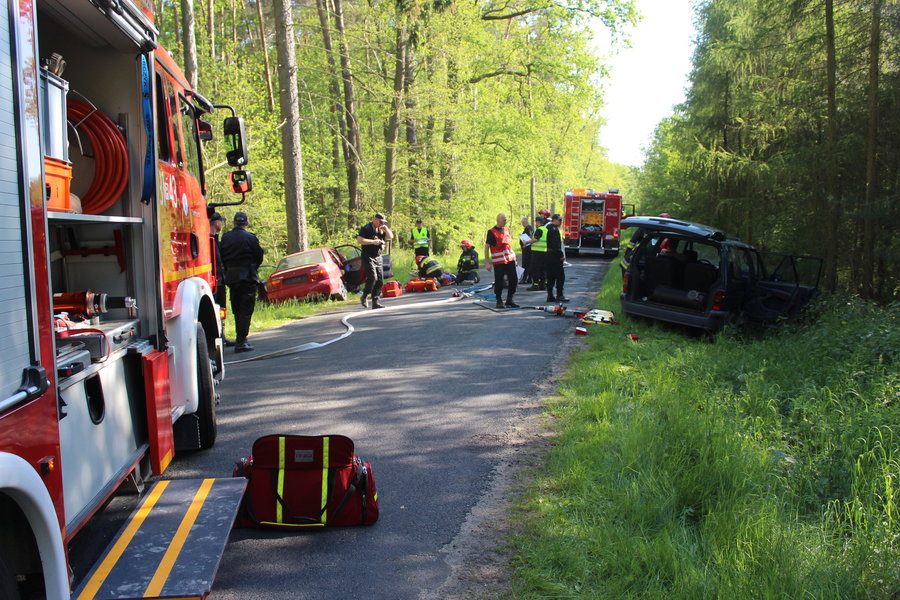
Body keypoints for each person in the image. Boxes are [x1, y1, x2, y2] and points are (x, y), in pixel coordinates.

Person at [220, 211, 264, 353]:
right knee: (246, 310)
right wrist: (251, 268)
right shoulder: (250, 238)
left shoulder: (226, 238)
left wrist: (229, 270)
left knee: (237, 309)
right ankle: (241, 341)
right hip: (247, 277)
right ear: (246, 223)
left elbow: (222, 256)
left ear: (234, 223)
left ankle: (240, 339)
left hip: (232, 277)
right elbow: (258, 256)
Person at [357, 212, 394, 309]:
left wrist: (386, 229)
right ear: (375, 219)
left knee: (380, 280)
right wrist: (373, 242)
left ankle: (375, 302)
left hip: (378, 257)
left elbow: (390, 237)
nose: (382, 223)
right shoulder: (367, 228)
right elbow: (360, 240)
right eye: (380, 221)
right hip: (368, 256)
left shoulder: (381, 229)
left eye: (383, 222)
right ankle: (364, 296)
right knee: (373, 277)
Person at [209, 212, 234, 347]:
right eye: (221, 221)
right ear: (215, 222)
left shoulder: (216, 240)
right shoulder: (208, 240)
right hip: (214, 281)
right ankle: (216, 337)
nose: (222, 224)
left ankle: (222, 336)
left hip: (220, 280)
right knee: (216, 310)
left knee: (221, 310)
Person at [484, 213, 519, 309]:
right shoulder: (491, 232)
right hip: (499, 261)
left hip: (510, 259)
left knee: (514, 279)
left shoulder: (507, 229)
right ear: (498, 220)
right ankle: (499, 300)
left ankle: (509, 299)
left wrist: (514, 258)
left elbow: (509, 245)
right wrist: (487, 262)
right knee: (499, 281)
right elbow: (487, 247)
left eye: (506, 220)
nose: (505, 221)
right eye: (504, 220)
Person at [545, 214, 570, 303]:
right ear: (554, 220)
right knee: (560, 276)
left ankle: (550, 295)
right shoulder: (554, 229)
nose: (561, 222)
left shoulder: (547, 228)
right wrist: (561, 256)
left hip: (547, 255)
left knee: (550, 276)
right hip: (555, 256)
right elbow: (556, 245)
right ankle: (560, 295)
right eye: (559, 220)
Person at [527, 215, 548, 291]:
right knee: (542, 269)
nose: (535, 223)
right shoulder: (546, 229)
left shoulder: (539, 230)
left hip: (537, 253)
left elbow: (536, 239)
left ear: (538, 222)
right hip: (544, 252)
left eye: (535, 221)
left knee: (535, 268)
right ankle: (543, 284)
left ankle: (535, 284)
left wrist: (527, 242)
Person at [519, 216, 534, 284]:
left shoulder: (528, 228)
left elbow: (529, 237)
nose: (522, 224)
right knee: (529, 264)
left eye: (522, 222)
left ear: (525, 222)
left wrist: (525, 244)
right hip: (529, 249)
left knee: (525, 264)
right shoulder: (529, 228)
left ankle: (525, 278)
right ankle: (529, 278)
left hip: (527, 249)